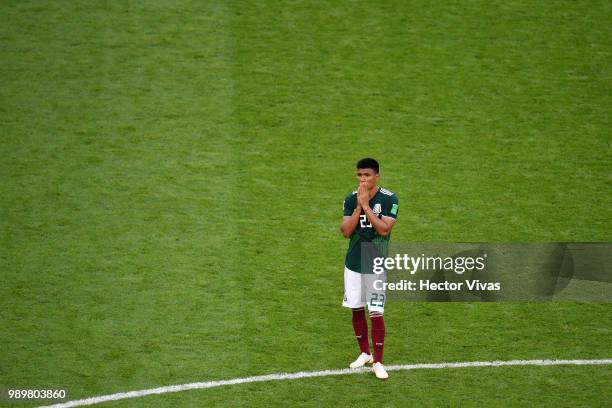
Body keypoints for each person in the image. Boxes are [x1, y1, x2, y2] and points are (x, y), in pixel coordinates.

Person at [340, 158, 399, 380]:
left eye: (367, 175)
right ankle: (365, 353)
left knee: (376, 311)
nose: (363, 179)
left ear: (377, 176)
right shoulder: (350, 198)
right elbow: (346, 231)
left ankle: (379, 361)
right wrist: (358, 206)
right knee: (356, 308)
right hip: (354, 263)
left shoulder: (389, 198)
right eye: (359, 175)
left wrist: (366, 206)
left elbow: (384, 230)